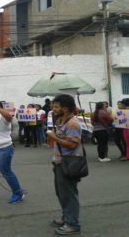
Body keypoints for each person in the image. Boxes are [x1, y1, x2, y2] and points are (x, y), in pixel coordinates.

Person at [46, 94, 82, 235]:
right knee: (61, 193)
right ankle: (66, 217)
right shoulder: (62, 120)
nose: (52, 109)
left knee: (69, 194)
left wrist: (53, 136)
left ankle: (73, 224)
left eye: (56, 107)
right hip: (60, 162)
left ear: (65, 108)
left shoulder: (73, 123)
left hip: (69, 163)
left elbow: (72, 144)